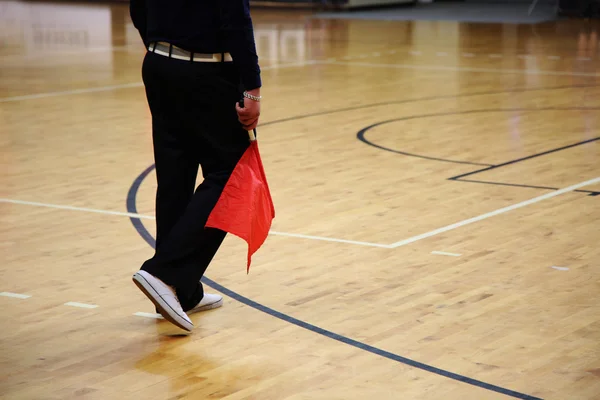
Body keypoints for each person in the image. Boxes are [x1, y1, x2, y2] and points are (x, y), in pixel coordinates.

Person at [129, 0, 262, 332]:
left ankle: (182, 292)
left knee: (176, 175)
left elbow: (138, 6)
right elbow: (234, 15)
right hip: (207, 73)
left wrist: (160, 47)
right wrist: (252, 86)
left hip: (159, 67)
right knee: (232, 175)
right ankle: (165, 273)